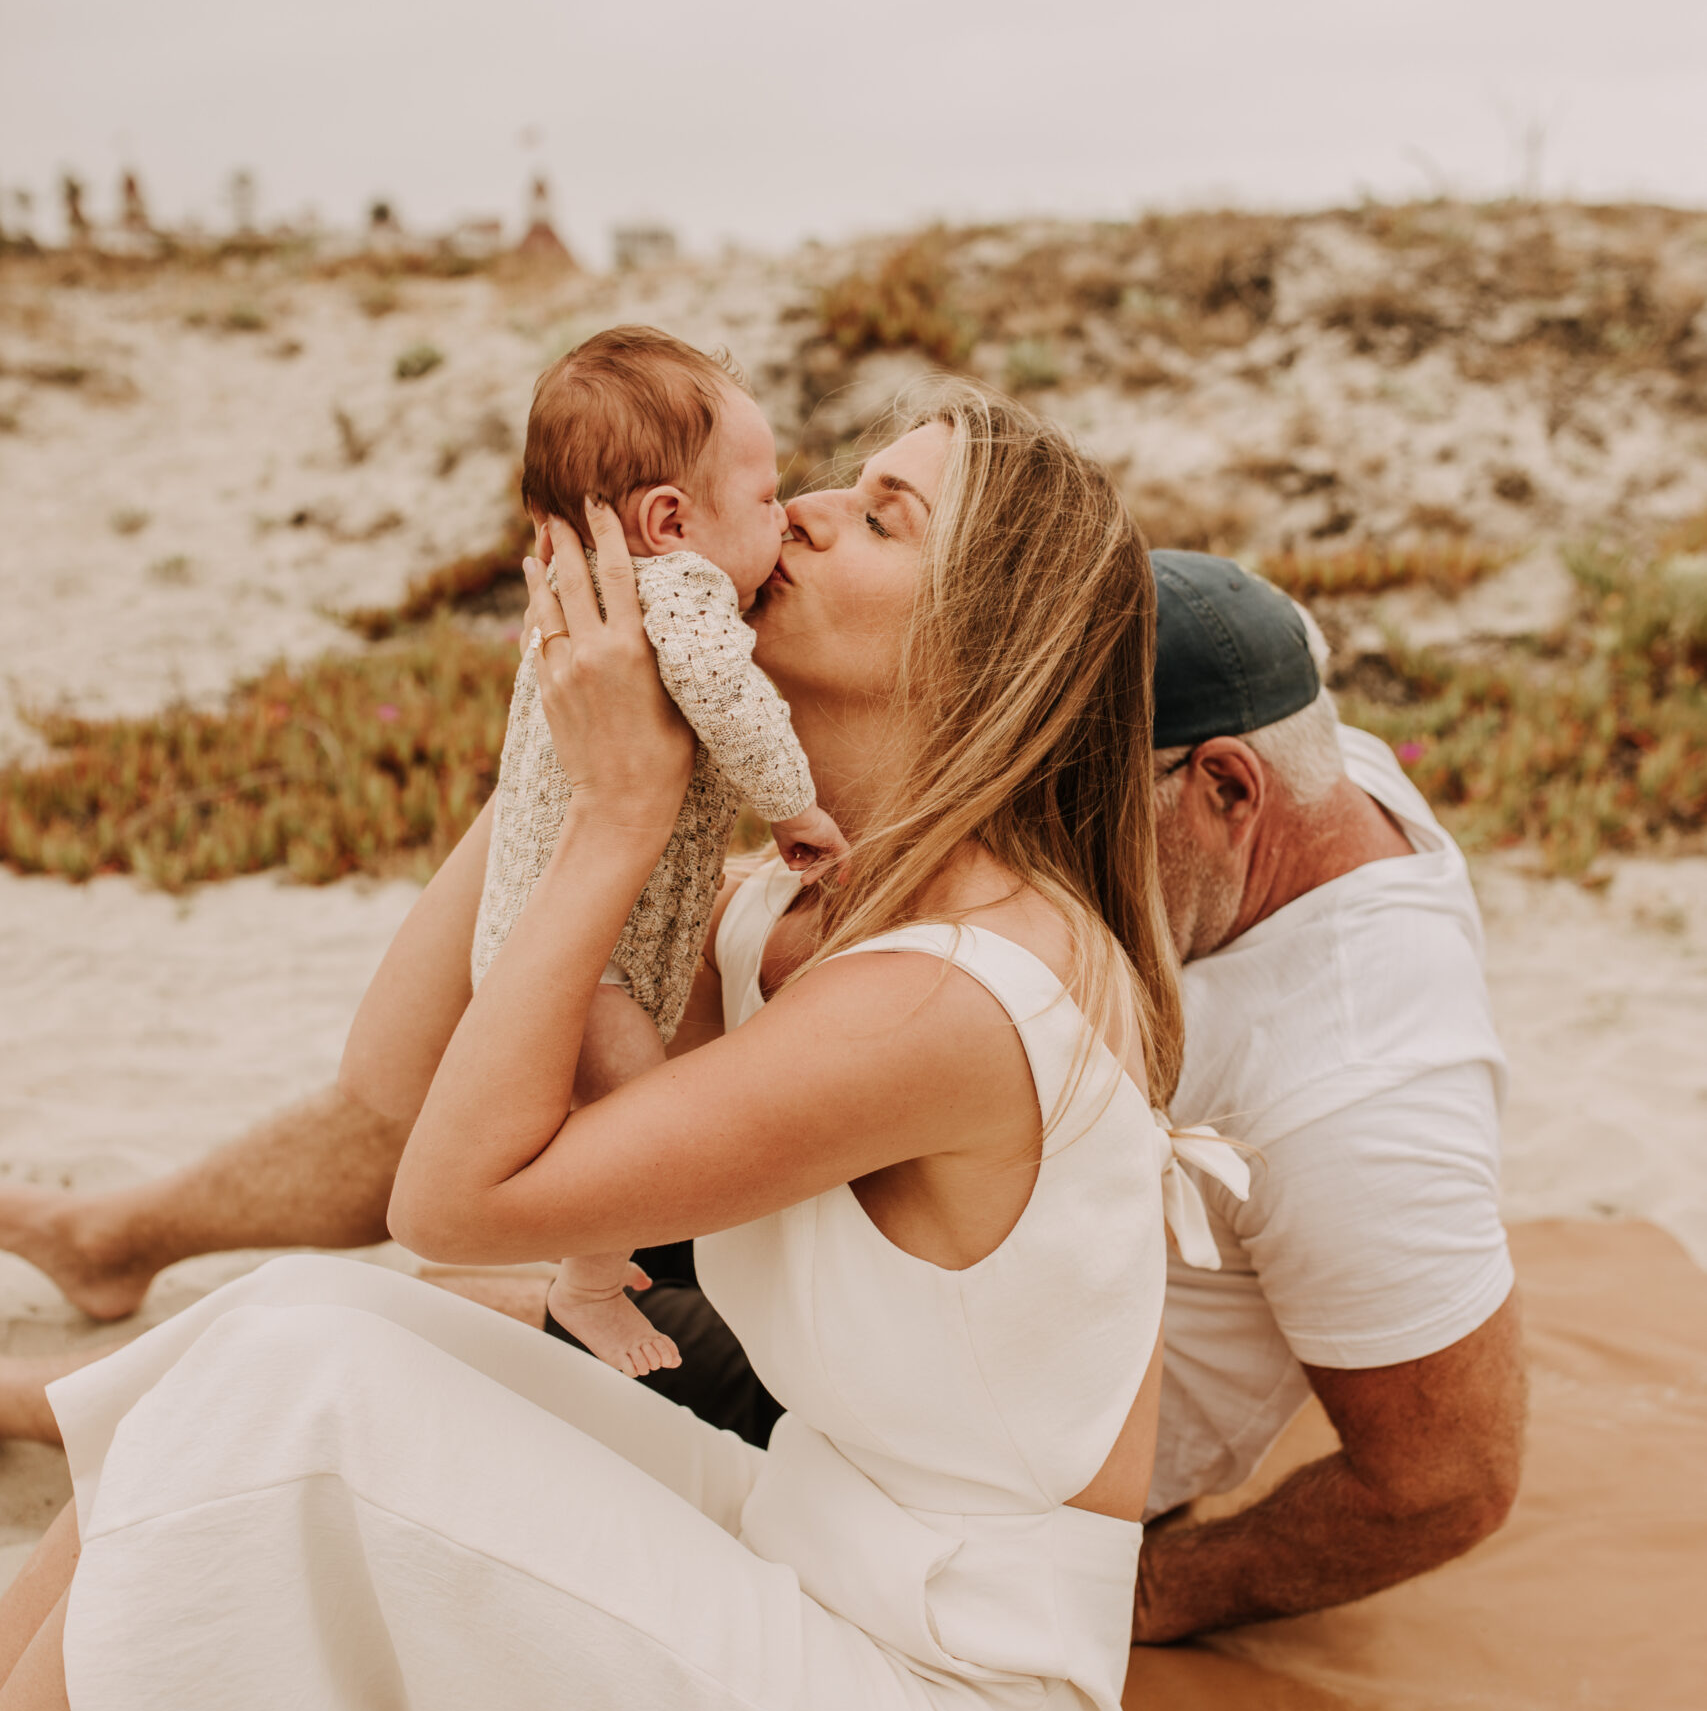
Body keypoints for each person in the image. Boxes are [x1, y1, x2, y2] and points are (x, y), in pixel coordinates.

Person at [0, 389, 1242, 1711]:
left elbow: (455, 1202)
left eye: (878, 516)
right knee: (291, 1323)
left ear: (987, 642)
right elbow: (398, 1085)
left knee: (308, 1416)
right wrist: (563, 728)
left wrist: (615, 817)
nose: (796, 511)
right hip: (809, 1550)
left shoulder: (961, 994)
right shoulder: (810, 908)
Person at [0, 463, 1526, 1646]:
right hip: (884, 1230)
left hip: (928, 1424)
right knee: (529, 1086)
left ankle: (49, 1398)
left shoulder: (1356, 1082)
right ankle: (122, 1236)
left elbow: (1447, 1478)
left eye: (1064, 791)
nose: (1024, 820)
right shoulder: (1284, 763)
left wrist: (1131, 1599)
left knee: (440, 1298)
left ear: (1229, 794)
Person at [471, 325, 844, 1376]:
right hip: (586, 954)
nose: (791, 514)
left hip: (566, 933)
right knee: (640, 1111)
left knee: (619, 1103)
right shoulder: (677, 592)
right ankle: (589, 1280)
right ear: (670, 521)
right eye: (769, 497)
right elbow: (732, 700)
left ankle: (599, 1267)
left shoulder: (598, 593)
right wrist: (794, 806)